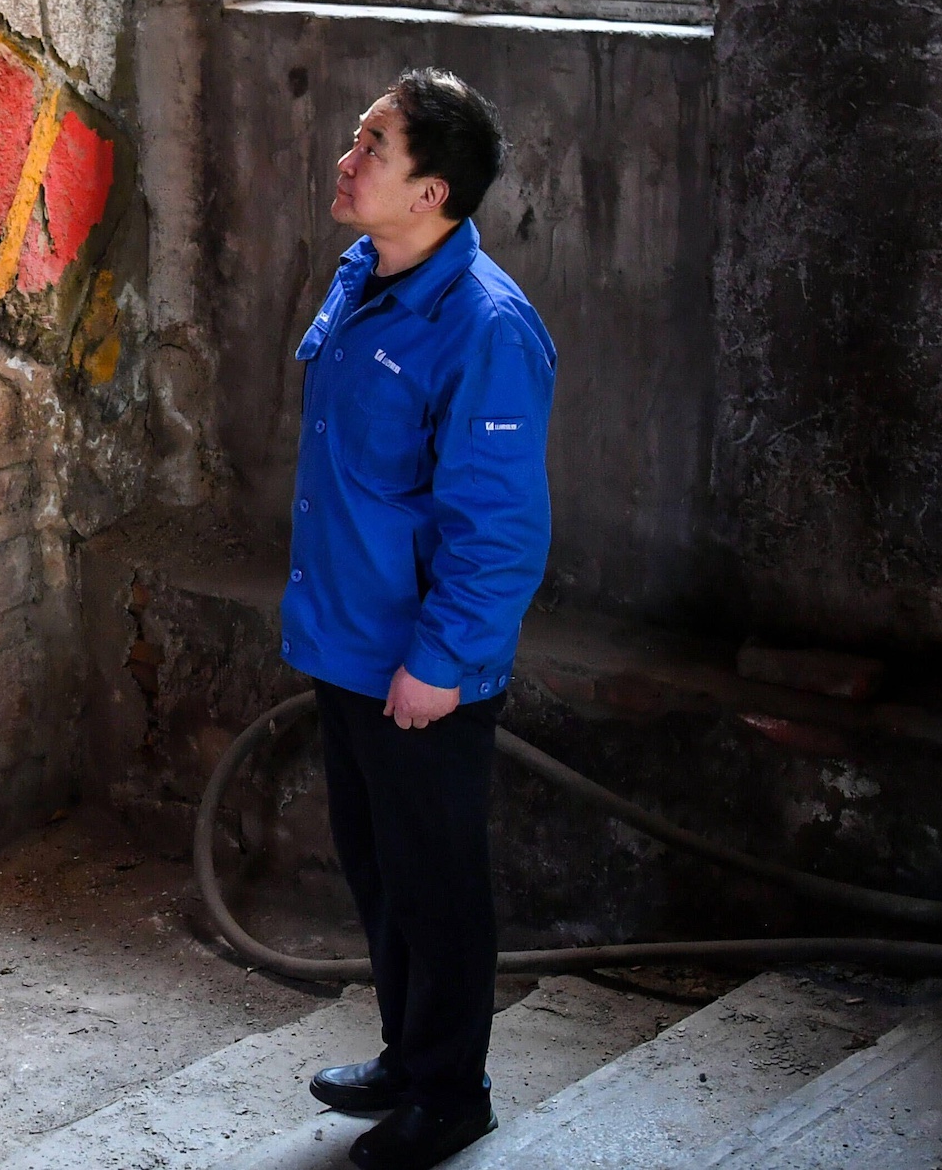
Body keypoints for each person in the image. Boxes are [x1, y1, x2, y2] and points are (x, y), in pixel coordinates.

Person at [285, 68, 556, 1170]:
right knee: (379, 865)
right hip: (346, 639)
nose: (347, 159)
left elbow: (496, 526)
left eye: (373, 146)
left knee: (437, 883)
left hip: (417, 665)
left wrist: (440, 660)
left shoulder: (484, 326)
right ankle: (408, 1054)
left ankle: (452, 1093)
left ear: (430, 192)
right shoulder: (367, 273)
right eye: (356, 135)